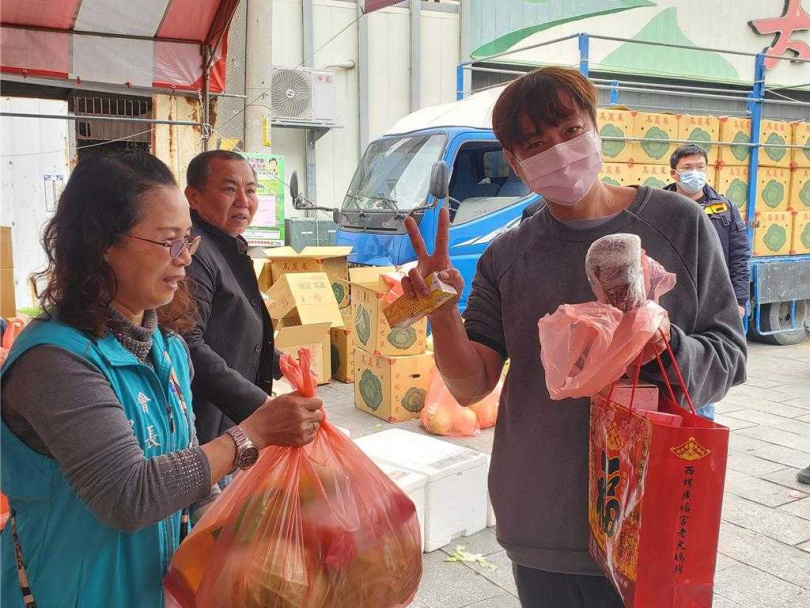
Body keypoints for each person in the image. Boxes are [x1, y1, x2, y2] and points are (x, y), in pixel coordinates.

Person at [400, 67, 747, 608]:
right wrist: (441, 310)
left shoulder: (680, 223)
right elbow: (471, 387)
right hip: (544, 517)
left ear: (594, 127)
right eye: (537, 144)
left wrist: (665, 343)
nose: (559, 152)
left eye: (569, 131)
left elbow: (728, 355)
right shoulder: (505, 257)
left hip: (652, 509)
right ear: (515, 164)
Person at [0, 152, 323, 608]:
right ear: (102, 244)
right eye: (169, 241)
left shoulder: (168, 348)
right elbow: (128, 495)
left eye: (188, 242)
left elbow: (193, 482)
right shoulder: (55, 361)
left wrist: (253, 545)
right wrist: (253, 434)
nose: (185, 259)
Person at [183, 151, 296, 451]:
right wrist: (261, 406)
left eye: (251, 190)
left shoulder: (227, 245)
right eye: (229, 189)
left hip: (231, 420)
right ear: (193, 196)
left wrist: (281, 362)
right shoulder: (194, 253)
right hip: (207, 424)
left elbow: (232, 330)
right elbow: (189, 346)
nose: (243, 202)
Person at [664, 144, 751, 420]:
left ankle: (698, 429)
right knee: (672, 363)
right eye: (688, 168)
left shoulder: (723, 208)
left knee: (704, 364)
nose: (695, 173)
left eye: (700, 167)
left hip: (710, 300)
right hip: (671, 300)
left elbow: (739, 255)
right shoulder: (659, 204)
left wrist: (738, 300)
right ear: (674, 173)